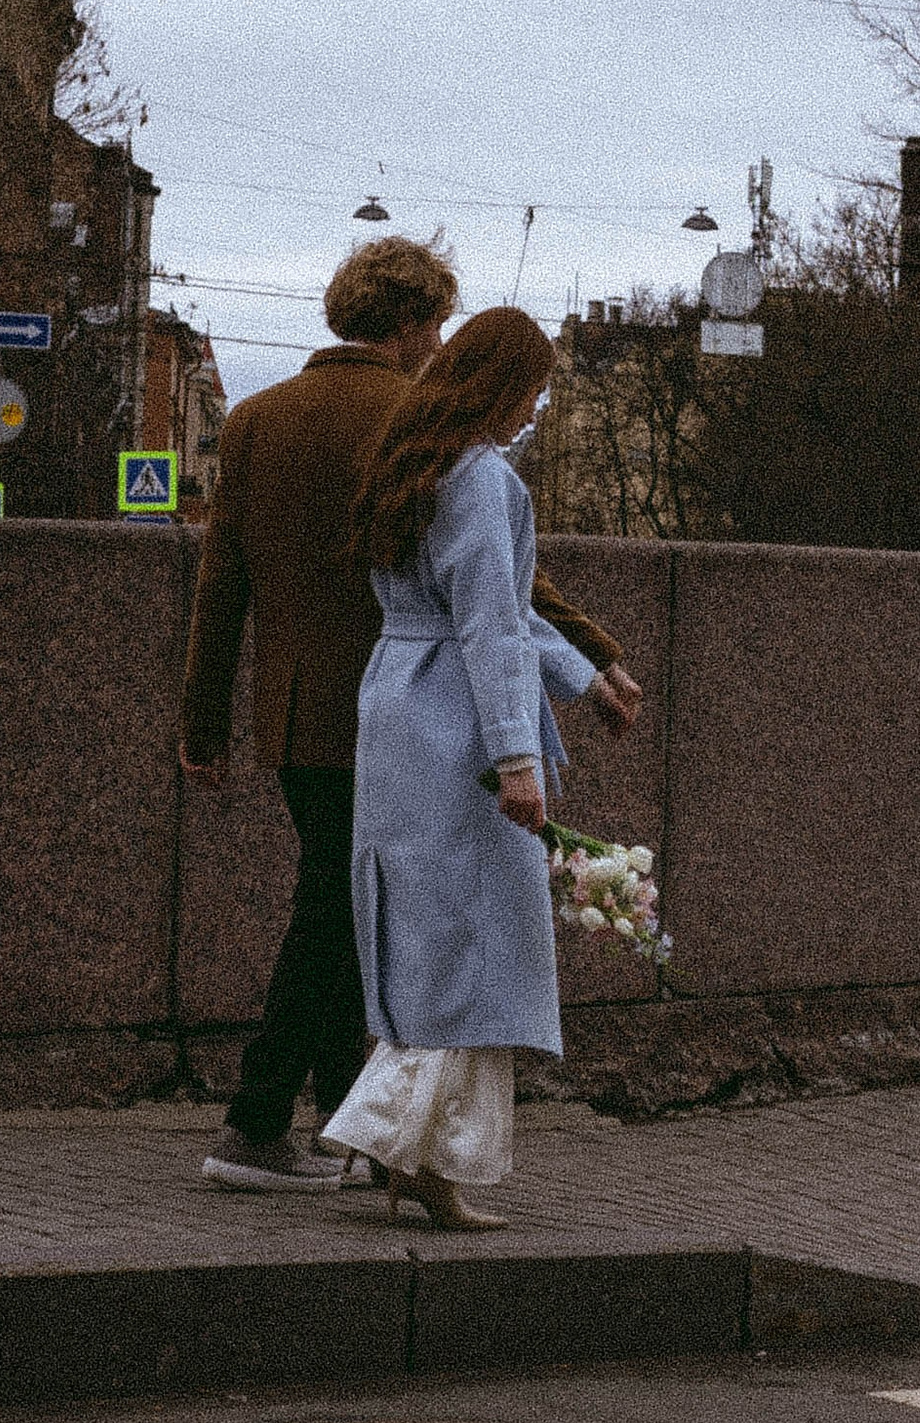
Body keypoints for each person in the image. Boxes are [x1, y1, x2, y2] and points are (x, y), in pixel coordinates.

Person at [179, 241, 636, 1189]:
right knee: (359, 921)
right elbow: (502, 594)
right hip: (422, 718)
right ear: (408, 322)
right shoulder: (423, 427)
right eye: (433, 324)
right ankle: (284, 1125)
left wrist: (202, 724)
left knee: (346, 911)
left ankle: (341, 1130)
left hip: (301, 714)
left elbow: (219, 585)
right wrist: (592, 653)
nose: (437, 344)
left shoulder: (259, 419)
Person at [321, 307, 599, 1230]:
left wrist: (587, 675)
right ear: (501, 383)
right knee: (479, 935)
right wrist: (519, 757)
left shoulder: (411, 464)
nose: (538, 405)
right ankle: (407, 1143)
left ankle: (416, 1162)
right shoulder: (483, 478)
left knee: (419, 922)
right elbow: (488, 620)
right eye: (534, 385)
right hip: (457, 720)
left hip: (395, 696)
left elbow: (482, 610)